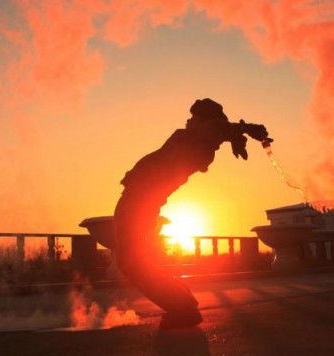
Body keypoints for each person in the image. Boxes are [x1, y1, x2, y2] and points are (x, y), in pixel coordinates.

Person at [113, 98, 270, 329]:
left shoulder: (199, 142)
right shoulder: (199, 141)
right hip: (140, 201)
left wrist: (243, 130)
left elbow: (217, 126)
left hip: (139, 201)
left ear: (205, 121)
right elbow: (220, 128)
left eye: (194, 117)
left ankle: (182, 306)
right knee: (137, 261)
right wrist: (240, 133)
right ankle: (181, 301)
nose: (188, 120)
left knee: (131, 262)